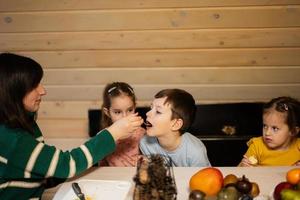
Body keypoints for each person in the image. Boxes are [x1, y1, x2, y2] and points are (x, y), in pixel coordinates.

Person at [0, 53, 143, 199]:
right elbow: (65, 165)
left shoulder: (21, 124)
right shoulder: (12, 140)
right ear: (13, 92)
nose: (43, 91)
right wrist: (113, 133)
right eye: (34, 85)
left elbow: (42, 173)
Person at [139, 88, 211, 167]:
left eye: (158, 112)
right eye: (151, 108)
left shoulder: (195, 152)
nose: (147, 113)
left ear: (176, 124)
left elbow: (203, 178)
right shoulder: (145, 143)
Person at [239, 96, 300, 166]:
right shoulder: (257, 146)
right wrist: (243, 165)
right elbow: (237, 172)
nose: (267, 133)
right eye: (265, 126)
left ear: (293, 131)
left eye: (275, 128)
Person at [99, 82, 145, 166]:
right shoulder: (103, 137)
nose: (125, 117)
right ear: (107, 112)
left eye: (130, 110)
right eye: (117, 112)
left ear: (135, 107)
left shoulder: (142, 134)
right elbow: (101, 167)